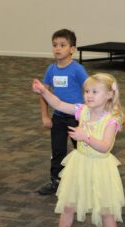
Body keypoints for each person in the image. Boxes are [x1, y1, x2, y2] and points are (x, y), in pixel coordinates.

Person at [32, 73, 125, 227]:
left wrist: (85, 137)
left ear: (109, 95)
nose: (89, 95)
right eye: (87, 91)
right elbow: (58, 104)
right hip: (79, 163)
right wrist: (44, 91)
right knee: (68, 205)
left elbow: (106, 146)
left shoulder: (111, 120)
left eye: (95, 92)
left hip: (101, 167)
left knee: (107, 210)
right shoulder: (81, 110)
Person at [37, 29, 88, 195]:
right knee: (57, 150)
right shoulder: (51, 70)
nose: (57, 48)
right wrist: (45, 115)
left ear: (72, 49)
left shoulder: (78, 69)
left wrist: (89, 116)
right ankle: (56, 181)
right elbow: (43, 94)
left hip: (77, 118)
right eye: (54, 45)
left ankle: (86, 180)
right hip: (58, 118)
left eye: (62, 45)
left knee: (82, 150)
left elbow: (90, 90)